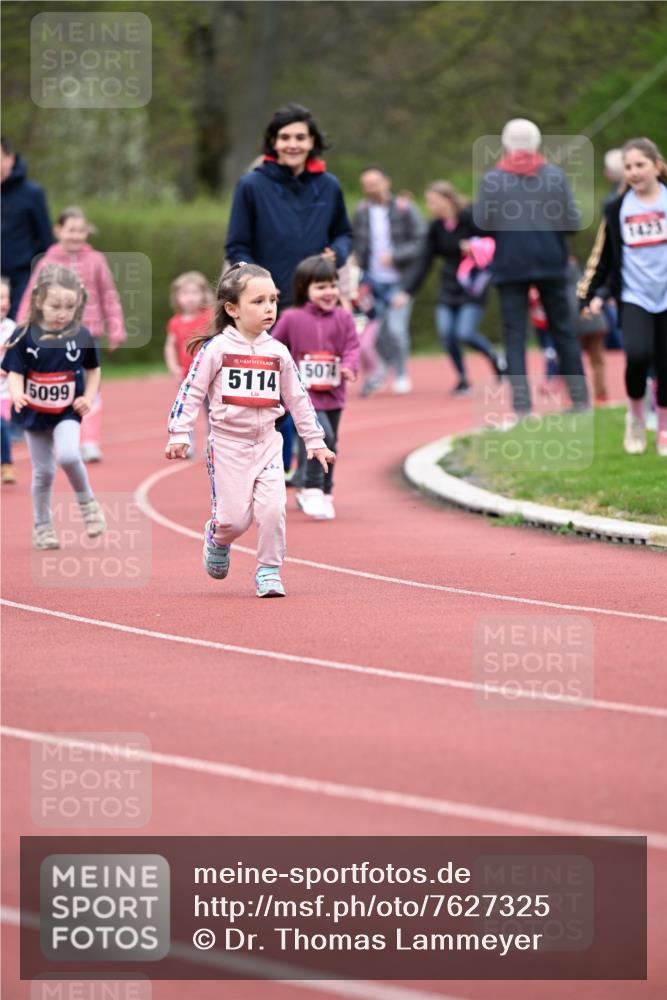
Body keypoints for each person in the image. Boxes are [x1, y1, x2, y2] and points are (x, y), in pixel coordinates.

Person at [165, 262, 334, 598]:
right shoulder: (216, 349)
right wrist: (179, 433)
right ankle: (217, 536)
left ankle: (269, 570)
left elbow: (298, 397)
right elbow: (191, 391)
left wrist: (315, 440)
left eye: (272, 300)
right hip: (228, 446)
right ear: (233, 309)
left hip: (268, 444)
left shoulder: (278, 352)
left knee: (273, 510)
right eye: (257, 302)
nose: (268, 308)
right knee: (234, 521)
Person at [474, 118, 589, 414]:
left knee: (514, 335)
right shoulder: (554, 175)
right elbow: (572, 223)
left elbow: (483, 224)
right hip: (551, 262)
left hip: (510, 265)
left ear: (506, 144)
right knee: (563, 330)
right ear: (537, 143)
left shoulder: (492, 179)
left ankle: (522, 407)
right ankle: (580, 400)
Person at [1, 264, 106, 548]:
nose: (62, 313)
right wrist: (17, 393)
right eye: (55, 306)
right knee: (44, 471)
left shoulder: (81, 335)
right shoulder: (23, 336)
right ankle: (42, 526)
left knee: (70, 455)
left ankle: (88, 504)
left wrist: (89, 396)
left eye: (69, 307)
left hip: (67, 410)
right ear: (38, 302)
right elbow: (13, 372)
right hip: (34, 412)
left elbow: (93, 369)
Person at [578, 137, 667, 455]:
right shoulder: (617, 209)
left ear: (656, 166)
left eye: (640, 165)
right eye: (628, 166)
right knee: (639, 355)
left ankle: (664, 432)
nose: (633, 171)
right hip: (634, 296)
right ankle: (636, 417)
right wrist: (588, 294)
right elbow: (602, 255)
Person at [17, 206, 127, 462]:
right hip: (53, 334)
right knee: (59, 384)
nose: (76, 236)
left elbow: (109, 294)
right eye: (71, 230)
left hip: (87, 334)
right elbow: (31, 296)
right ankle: (65, 435)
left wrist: (116, 327)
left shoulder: (96, 260)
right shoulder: (47, 261)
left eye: (81, 231)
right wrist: (22, 326)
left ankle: (89, 441)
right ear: (58, 230)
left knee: (89, 386)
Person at [225, 103, 352, 309]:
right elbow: (237, 247)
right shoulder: (251, 186)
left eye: (300, 138)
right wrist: (256, 283)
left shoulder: (329, 185)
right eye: (285, 137)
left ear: (312, 142)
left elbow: (344, 234)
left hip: (317, 303)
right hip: (270, 305)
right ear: (274, 142)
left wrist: (337, 252)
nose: (293, 144)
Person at [394, 180, 503, 395]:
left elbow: (494, 241)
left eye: (434, 202)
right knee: (447, 334)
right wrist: (407, 291)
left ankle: (496, 359)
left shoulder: (471, 218)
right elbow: (424, 262)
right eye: (429, 203)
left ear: (448, 199)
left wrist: (474, 246)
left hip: (473, 285)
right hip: (448, 286)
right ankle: (463, 378)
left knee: (465, 333)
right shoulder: (435, 227)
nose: (432, 207)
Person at [272, 255, 360, 520]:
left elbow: (352, 347)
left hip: (334, 394)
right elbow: (274, 347)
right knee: (323, 437)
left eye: (332, 285)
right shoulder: (291, 318)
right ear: (304, 289)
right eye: (321, 287)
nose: (329, 292)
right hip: (303, 396)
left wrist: (349, 365)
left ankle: (325, 491)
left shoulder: (344, 318)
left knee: (332, 442)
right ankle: (311, 489)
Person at [352, 167, 424, 394]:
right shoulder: (361, 211)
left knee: (396, 328)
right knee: (376, 333)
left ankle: (402, 372)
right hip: (371, 282)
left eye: (375, 182)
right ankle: (382, 369)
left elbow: (421, 241)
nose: (371, 187)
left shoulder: (404, 208)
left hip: (399, 281)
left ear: (386, 182)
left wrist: (396, 255)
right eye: (367, 184)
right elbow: (356, 242)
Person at [0, 137, 54, 318]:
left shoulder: (32, 194)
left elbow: (46, 241)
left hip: (22, 280)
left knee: (16, 334)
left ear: (10, 159)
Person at [0, 278, 17, 483]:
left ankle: (7, 464)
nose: (3, 302)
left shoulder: (13, 328)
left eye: (6, 297)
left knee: (2, 425)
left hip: (5, 390)